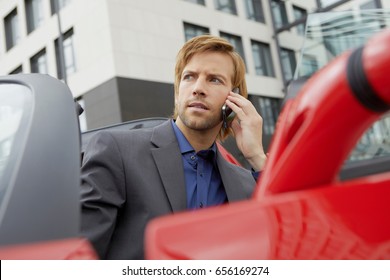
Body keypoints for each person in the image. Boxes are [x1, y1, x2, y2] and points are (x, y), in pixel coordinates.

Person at [80, 34, 267, 259]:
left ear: (234, 100)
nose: (198, 88)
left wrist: (256, 155)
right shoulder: (117, 151)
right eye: (189, 77)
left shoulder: (246, 183)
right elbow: (78, 254)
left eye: (214, 79)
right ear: (178, 92)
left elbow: (286, 237)